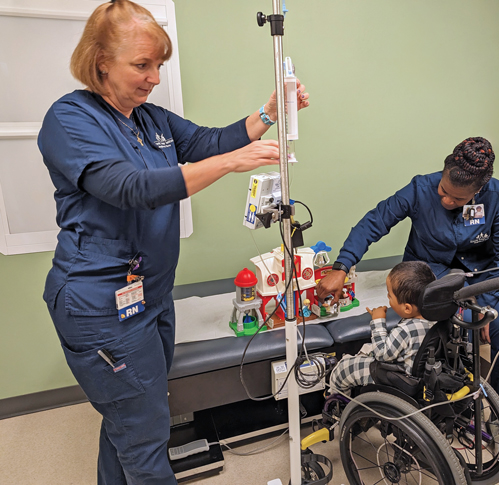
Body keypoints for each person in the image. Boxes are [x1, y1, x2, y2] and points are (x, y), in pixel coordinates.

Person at [37, 1, 309, 483]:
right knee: (145, 439)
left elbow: (209, 141)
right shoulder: (70, 120)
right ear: (101, 62)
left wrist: (268, 113)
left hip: (151, 297)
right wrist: (232, 164)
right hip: (102, 306)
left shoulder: (149, 120)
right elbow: (130, 188)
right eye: (142, 65)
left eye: (158, 65)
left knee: (129, 422)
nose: (154, 78)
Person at [317, 137, 499, 427]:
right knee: (456, 322)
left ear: (478, 190)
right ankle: (452, 407)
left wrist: (484, 304)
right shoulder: (419, 189)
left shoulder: (496, 196)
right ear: (442, 173)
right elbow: (374, 222)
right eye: (444, 190)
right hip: (433, 272)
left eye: (458, 199)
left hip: (489, 276)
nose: (446, 201)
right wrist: (342, 265)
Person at [329, 261, 436, 393]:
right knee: (367, 349)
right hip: (421, 376)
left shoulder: (405, 331)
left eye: (390, 296)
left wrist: (378, 320)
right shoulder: (436, 320)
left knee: (343, 369)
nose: (387, 297)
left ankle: (338, 403)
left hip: (399, 379)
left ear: (407, 308)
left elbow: (381, 355)